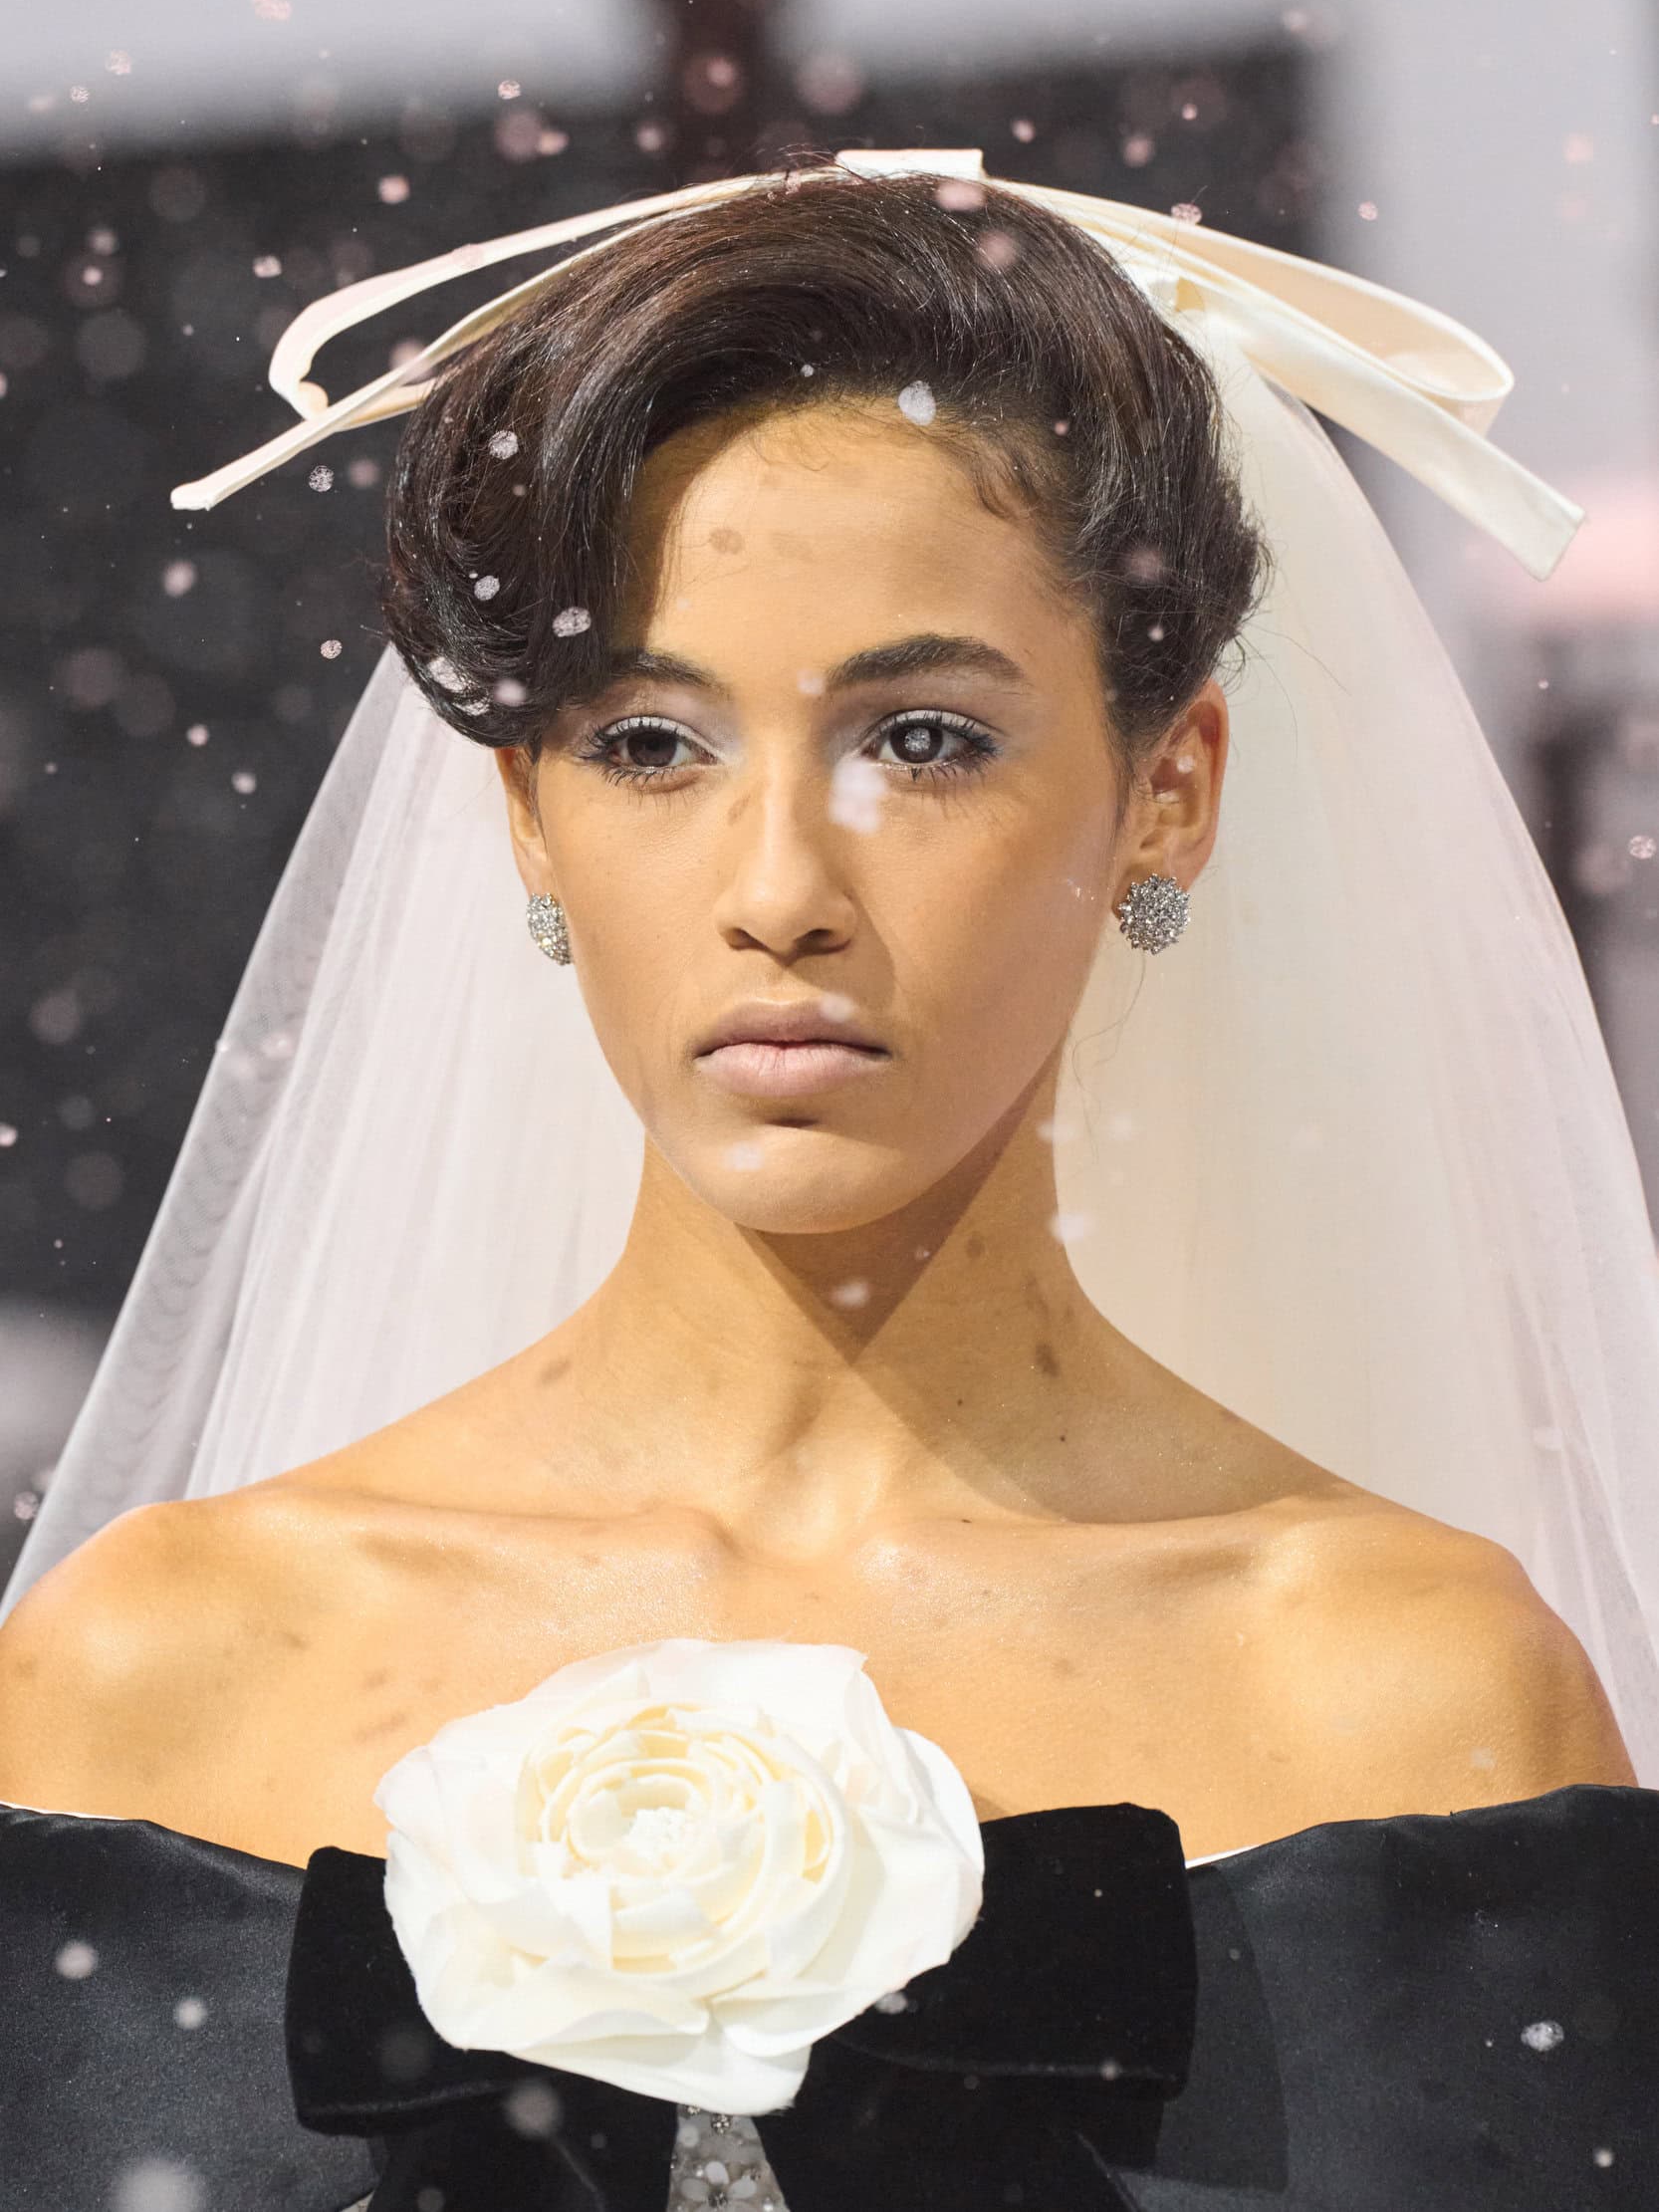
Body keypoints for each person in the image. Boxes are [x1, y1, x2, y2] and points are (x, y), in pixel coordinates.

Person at [0, 154, 1656, 2212]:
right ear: (523, 814)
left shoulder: (1414, 1697)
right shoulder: (153, 1670)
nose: (779, 887)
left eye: (925, 739)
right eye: (651, 745)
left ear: (1167, 790)